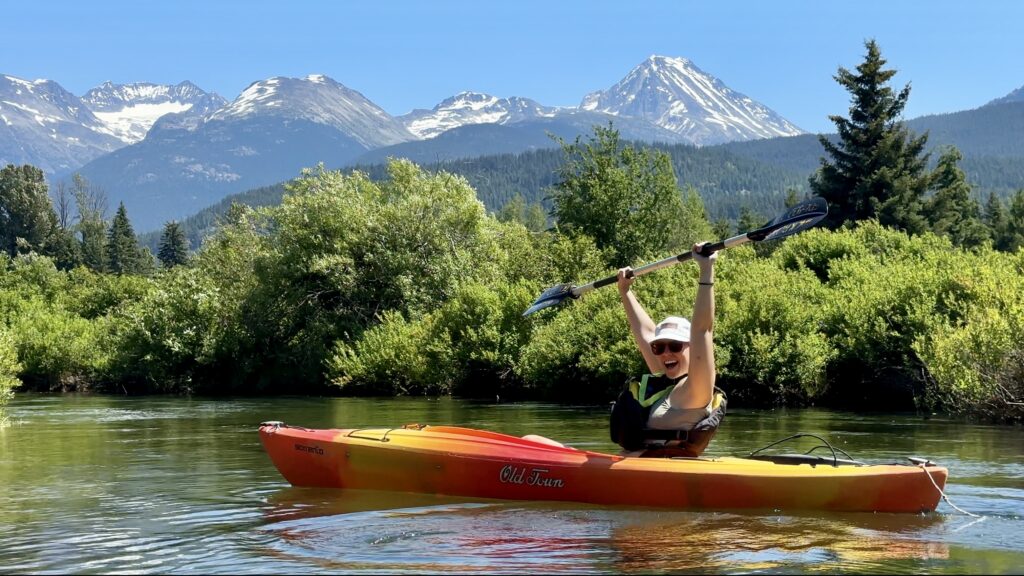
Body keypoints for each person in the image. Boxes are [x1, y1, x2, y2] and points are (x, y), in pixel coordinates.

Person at [609, 242, 726, 457]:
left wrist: (706, 269)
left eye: (674, 345)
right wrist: (625, 291)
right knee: (533, 440)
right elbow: (644, 333)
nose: (665, 353)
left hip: (661, 471)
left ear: (692, 348)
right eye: (659, 347)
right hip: (633, 465)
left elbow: (702, 331)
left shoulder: (696, 389)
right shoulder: (664, 382)